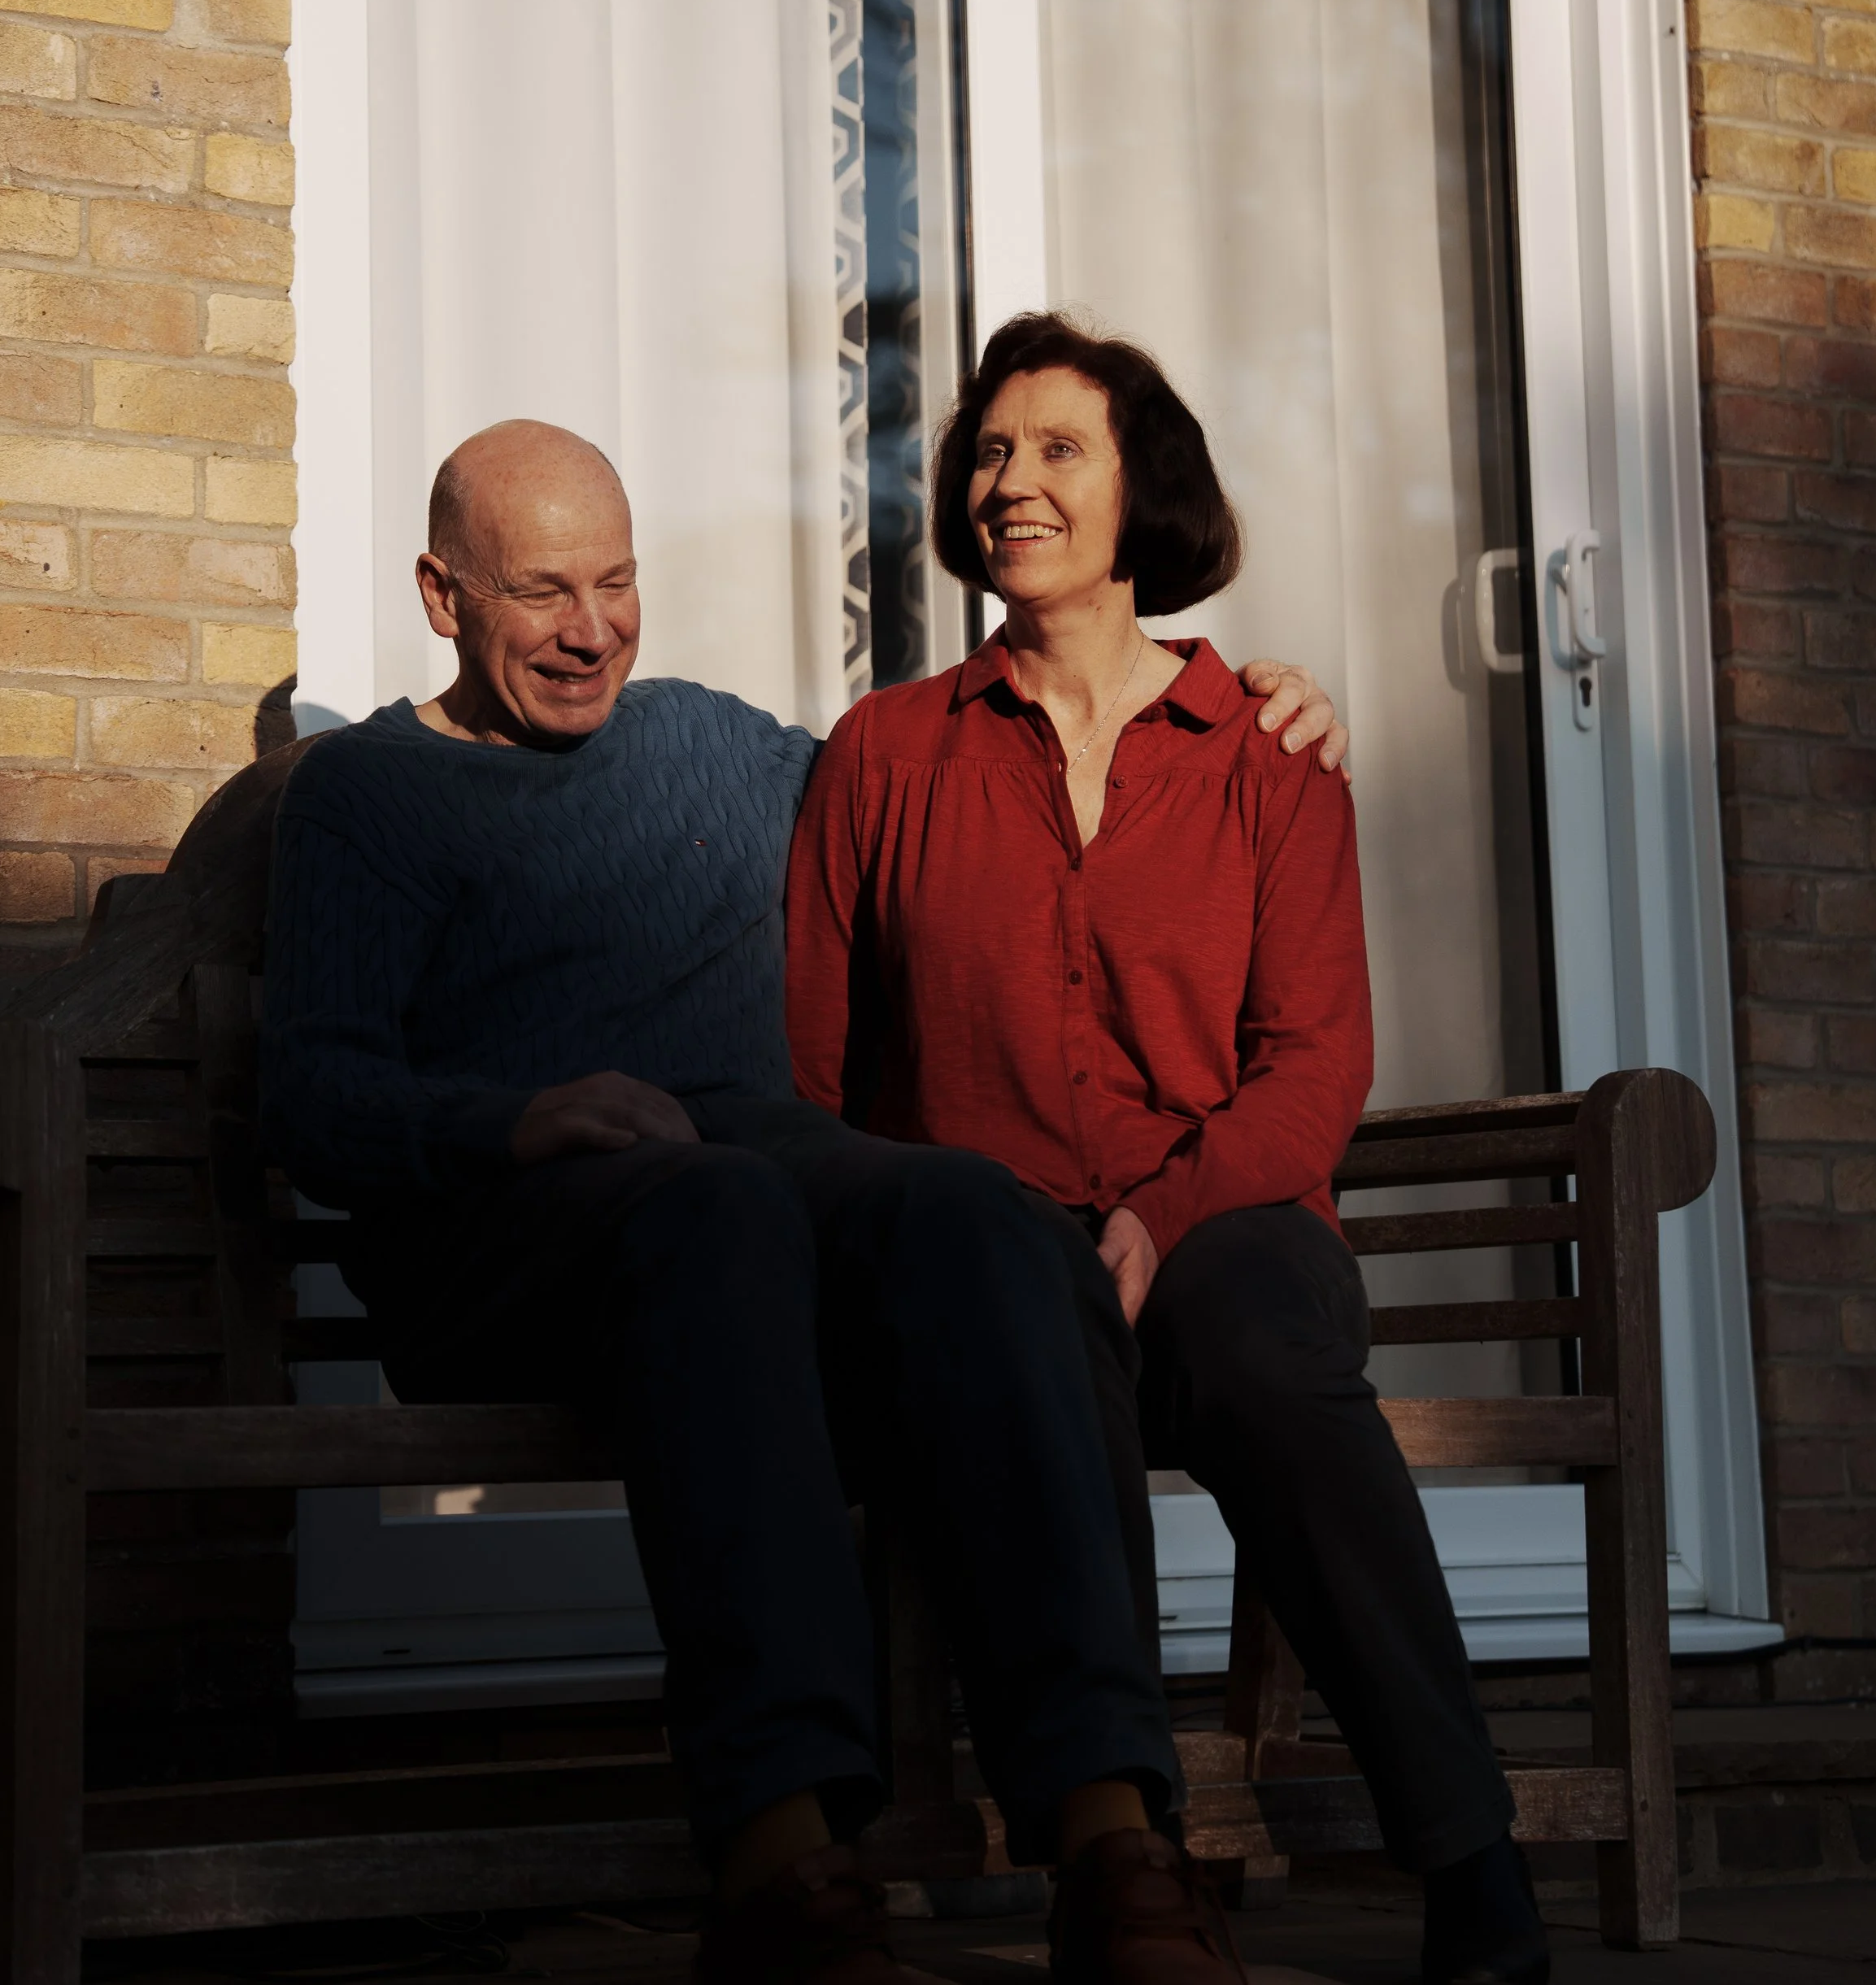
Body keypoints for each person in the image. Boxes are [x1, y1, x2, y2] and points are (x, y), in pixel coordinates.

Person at [261, 418, 1346, 1985]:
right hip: (516, 1226)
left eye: (619, 585)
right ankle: (786, 1864)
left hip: (746, 1183)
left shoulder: (715, 744)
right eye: (542, 593)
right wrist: (516, 1116)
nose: (592, 632)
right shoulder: (361, 796)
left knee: (980, 1217)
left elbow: (959, 773)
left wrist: (1232, 708)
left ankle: (1113, 1836)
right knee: (715, 1214)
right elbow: (311, 1090)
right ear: (442, 594)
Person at [786, 315, 1551, 1985]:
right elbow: (815, 1081)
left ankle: (1468, 1854)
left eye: (1057, 450)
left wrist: (1155, 1209)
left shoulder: (1267, 757)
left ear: (1146, 494)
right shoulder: (880, 757)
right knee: (1027, 1323)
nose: (1008, 482)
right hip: (976, 1249)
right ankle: (1117, 1861)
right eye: (989, 453)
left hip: (1225, 1219)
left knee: (1267, 1355)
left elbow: (1311, 1066)